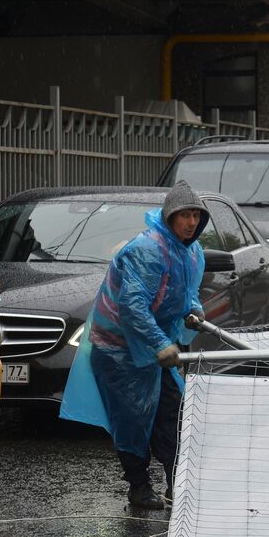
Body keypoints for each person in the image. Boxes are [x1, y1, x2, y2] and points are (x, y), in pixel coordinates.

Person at [60, 182, 208, 509]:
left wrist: (194, 313)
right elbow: (132, 306)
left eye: (196, 214)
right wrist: (160, 343)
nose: (191, 222)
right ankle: (139, 488)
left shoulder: (191, 252)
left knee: (171, 413)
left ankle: (177, 485)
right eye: (184, 215)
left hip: (156, 348)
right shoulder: (148, 250)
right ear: (170, 217)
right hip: (118, 349)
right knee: (133, 419)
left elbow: (188, 293)